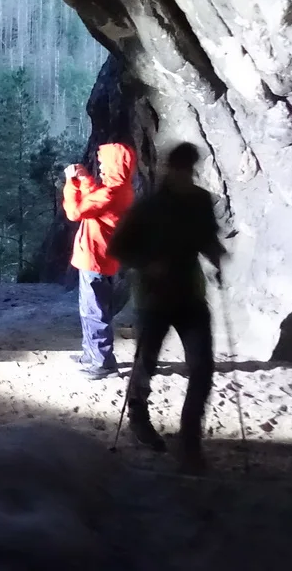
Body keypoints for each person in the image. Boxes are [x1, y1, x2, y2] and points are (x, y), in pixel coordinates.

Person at [108, 142, 226, 474]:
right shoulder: (149, 208)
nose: (186, 175)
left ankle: (190, 441)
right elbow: (119, 247)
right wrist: (148, 264)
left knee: (202, 367)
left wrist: (216, 253)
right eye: (181, 169)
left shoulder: (200, 201)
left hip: (190, 295)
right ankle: (138, 416)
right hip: (154, 298)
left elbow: (207, 237)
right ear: (170, 170)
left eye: (190, 169)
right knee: (146, 362)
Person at [62, 142, 136, 380]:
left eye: (105, 163)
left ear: (115, 165)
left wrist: (71, 183)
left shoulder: (109, 194)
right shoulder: (121, 189)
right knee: (91, 309)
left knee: (94, 311)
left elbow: (76, 211)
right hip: (102, 258)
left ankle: (102, 362)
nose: (101, 167)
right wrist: (85, 179)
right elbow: (94, 201)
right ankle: (92, 354)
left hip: (95, 260)